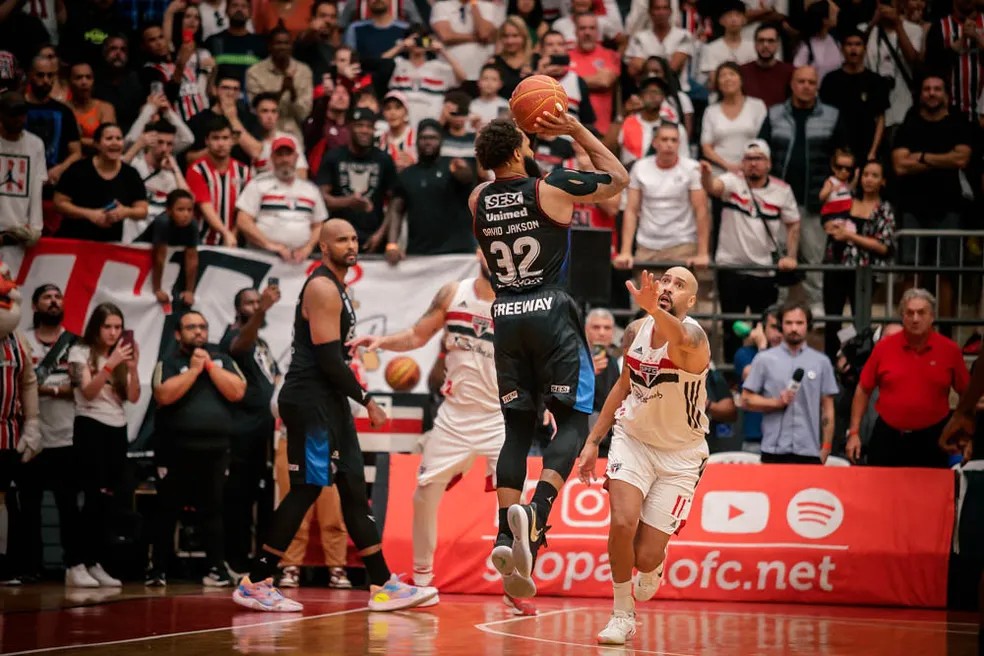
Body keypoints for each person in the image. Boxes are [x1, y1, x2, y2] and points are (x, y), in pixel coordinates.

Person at [233, 218, 438, 612]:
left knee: (353, 489)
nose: (351, 244)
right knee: (308, 487)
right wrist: (368, 400)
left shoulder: (339, 288)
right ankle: (256, 580)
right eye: (341, 239)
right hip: (310, 402)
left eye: (354, 238)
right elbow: (327, 360)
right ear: (324, 247)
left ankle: (382, 583)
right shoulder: (323, 287)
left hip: (329, 403)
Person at [470, 115, 628, 599]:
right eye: (527, 142)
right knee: (574, 424)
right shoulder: (550, 188)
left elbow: (500, 212)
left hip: (506, 315)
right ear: (518, 152)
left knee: (517, 428)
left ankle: (505, 534)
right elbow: (619, 180)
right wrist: (576, 129)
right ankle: (537, 514)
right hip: (552, 312)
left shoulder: (476, 199)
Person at [348, 253, 534, 614]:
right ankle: (421, 582)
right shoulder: (453, 293)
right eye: (485, 247)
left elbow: (537, 363)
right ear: (478, 252)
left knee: (515, 509)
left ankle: (515, 586)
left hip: (501, 417)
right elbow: (418, 335)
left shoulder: (519, 305)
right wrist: (382, 342)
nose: (493, 254)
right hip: (454, 416)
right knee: (423, 496)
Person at [577, 267, 710, 645]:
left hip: (681, 455)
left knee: (645, 556)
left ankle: (655, 564)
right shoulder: (635, 332)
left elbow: (677, 334)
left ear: (692, 301)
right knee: (621, 523)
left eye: (679, 284)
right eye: (665, 280)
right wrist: (593, 441)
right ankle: (622, 614)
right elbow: (623, 386)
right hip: (632, 439)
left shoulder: (695, 338)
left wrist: (655, 312)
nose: (668, 287)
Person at [148, 310, 247, 587]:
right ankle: (158, 569)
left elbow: (238, 391)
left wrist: (211, 368)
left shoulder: (223, 360)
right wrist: (193, 370)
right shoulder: (168, 362)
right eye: (191, 327)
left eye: (202, 327)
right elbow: (163, 394)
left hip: (215, 450)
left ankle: (216, 569)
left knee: (214, 510)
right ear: (178, 334)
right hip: (175, 449)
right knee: (167, 509)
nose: (199, 332)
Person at [700, 140, 799, 361]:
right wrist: (706, 175)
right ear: (742, 163)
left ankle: (763, 373)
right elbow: (713, 187)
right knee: (731, 328)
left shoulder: (782, 190)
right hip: (731, 268)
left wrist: (790, 256)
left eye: (759, 159)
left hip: (764, 270)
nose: (753, 164)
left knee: (766, 328)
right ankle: (733, 380)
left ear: (769, 163)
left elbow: (793, 223)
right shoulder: (733, 181)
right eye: (749, 159)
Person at [847, 288, 969, 467]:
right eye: (910, 313)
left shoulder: (950, 350)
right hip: (888, 437)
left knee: (930, 493)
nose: (915, 318)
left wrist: (963, 431)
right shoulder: (884, 348)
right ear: (902, 316)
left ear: (932, 316)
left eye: (921, 313)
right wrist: (854, 433)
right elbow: (863, 389)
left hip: (933, 438)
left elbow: (966, 394)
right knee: (880, 492)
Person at [67, 303, 141, 588]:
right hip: (90, 426)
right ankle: (76, 563)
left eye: (118, 327)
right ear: (96, 328)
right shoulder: (80, 352)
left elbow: (132, 397)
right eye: (107, 327)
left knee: (110, 500)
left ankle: (95, 562)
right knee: (91, 497)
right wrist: (109, 364)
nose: (113, 333)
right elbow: (87, 392)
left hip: (117, 428)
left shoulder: (122, 356)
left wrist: (132, 369)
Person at [21, 285, 86, 586]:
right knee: (28, 506)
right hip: (31, 437)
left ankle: (74, 565)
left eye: (58, 297)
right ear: (34, 305)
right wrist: (55, 390)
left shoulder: (75, 344)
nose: (54, 301)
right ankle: (29, 568)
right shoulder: (22, 342)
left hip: (67, 438)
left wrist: (46, 389)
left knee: (68, 506)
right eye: (47, 297)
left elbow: (81, 389)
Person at [221, 286, 281, 578]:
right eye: (250, 303)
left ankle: (261, 561)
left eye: (258, 301)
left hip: (266, 431)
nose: (256, 305)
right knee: (240, 499)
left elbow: (275, 376)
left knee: (264, 499)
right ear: (238, 308)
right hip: (242, 430)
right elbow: (238, 348)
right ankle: (234, 559)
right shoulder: (234, 335)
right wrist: (262, 311)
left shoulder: (263, 343)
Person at [742, 302, 838, 464]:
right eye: (789, 323)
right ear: (781, 326)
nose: (794, 328)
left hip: (809, 450)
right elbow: (746, 399)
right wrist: (776, 403)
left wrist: (827, 447)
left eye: (799, 323)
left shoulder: (821, 362)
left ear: (808, 325)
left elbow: (827, 409)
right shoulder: (764, 359)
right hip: (773, 449)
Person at [615, 122, 710, 273]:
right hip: (646, 246)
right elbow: (631, 210)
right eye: (664, 139)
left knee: (679, 296)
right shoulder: (640, 167)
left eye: (674, 140)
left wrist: (702, 253)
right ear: (655, 142)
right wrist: (626, 251)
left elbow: (701, 211)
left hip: (682, 244)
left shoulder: (691, 168)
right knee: (646, 296)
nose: (669, 144)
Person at [385, 119, 475, 262]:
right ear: (416, 141)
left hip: (457, 252)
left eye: (433, 138)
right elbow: (396, 210)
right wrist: (392, 245)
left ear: (441, 140)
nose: (428, 142)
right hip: (421, 253)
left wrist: (463, 172)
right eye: (423, 138)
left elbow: (467, 179)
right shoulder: (406, 174)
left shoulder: (453, 166)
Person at [316, 107, 397, 252]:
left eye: (369, 127)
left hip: (373, 238)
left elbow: (395, 202)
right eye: (359, 125)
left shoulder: (384, 159)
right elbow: (321, 199)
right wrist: (348, 202)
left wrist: (381, 234)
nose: (365, 130)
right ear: (349, 127)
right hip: (338, 237)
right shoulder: (333, 157)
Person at [53, 123, 149, 242]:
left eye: (118, 139)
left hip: (111, 243)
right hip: (74, 240)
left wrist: (125, 211)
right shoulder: (77, 169)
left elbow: (142, 210)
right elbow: (59, 203)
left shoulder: (130, 174)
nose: (114, 142)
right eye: (109, 138)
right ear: (97, 144)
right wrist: (89, 214)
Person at [236, 136, 327, 261]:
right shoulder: (257, 184)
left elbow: (319, 225)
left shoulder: (310, 189)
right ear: (272, 158)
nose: (285, 159)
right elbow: (243, 220)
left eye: (288, 154)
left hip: (300, 261)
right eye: (280, 155)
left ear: (296, 157)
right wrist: (270, 245)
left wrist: (307, 248)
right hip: (263, 258)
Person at [186, 115, 252, 246]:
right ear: (207, 141)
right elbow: (205, 207)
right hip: (202, 242)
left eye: (225, 138)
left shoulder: (243, 171)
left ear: (232, 140)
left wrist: (234, 234)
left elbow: (245, 209)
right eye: (215, 138)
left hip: (235, 241)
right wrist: (225, 233)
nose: (221, 143)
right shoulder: (197, 170)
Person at [245, 26, 314, 139]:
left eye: (286, 43)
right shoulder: (254, 72)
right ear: (270, 46)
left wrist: (292, 93)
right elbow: (255, 111)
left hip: (294, 135)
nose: (282, 47)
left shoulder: (303, 71)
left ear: (291, 46)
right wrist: (281, 91)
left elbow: (304, 115)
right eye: (278, 43)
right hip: (264, 137)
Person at [0, 91, 46, 249]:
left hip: (19, 234)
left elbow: (36, 186)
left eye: (22, 114)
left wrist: (36, 227)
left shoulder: (35, 144)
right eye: (13, 115)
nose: (19, 120)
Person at [147, 189, 199, 308]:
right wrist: (157, 289)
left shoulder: (193, 225)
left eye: (189, 210)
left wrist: (190, 291)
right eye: (180, 210)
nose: (186, 214)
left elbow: (192, 260)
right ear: (169, 210)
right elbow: (159, 258)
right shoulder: (162, 222)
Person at [740, 23, 794, 109]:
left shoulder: (790, 72)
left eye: (771, 41)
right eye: (761, 40)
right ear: (755, 44)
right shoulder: (742, 72)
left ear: (777, 44)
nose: (765, 45)